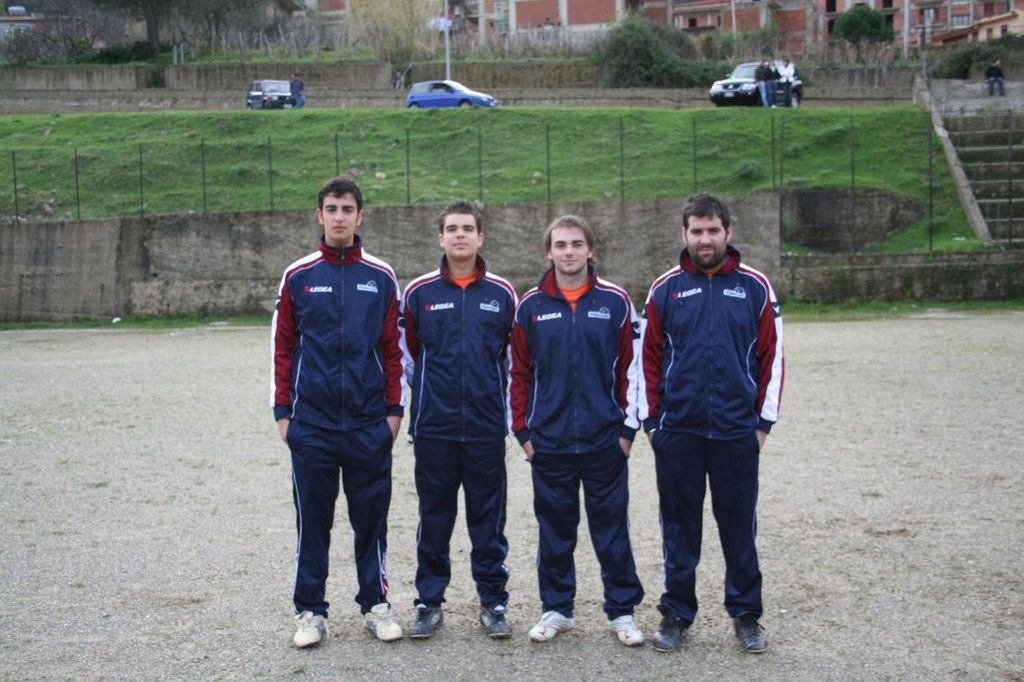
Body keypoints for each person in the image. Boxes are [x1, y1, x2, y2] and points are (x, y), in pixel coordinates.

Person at [639, 193, 784, 655]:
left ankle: (746, 614)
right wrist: (653, 423)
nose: (705, 239)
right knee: (679, 527)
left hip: (736, 430)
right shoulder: (665, 288)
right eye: (697, 231)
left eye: (713, 231)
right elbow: (647, 359)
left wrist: (762, 424)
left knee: (739, 526)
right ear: (684, 234)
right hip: (678, 431)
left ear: (728, 232)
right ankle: (676, 613)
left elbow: (773, 357)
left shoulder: (755, 286)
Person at [271, 176, 406, 647]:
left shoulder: (381, 276)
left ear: (359, 215)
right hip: (312, 425)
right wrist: (283, 414)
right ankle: (310, 610)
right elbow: (283, 347)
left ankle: (375, 603)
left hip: (369, 424)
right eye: (331, 208)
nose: (339, 216)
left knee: (372, 520)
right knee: (313, 521)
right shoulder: (299, 276)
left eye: (347, 209)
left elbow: (393, 349)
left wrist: (393, 412)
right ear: (320, 215)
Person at [510, 215, 646, 647]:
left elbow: (633, 369)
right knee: (555, 531)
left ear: (591, 249)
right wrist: (524, 433)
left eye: (576, 244)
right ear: (548, 252)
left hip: (605, 439)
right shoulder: (530, 306)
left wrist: (627, 430)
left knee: (612, 530)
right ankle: (557, 608)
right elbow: (518, 373)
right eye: (560, 244)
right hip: (548, 442)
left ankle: (622, 611)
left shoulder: (616, 302)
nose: (568, 251)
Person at [400, 201, 518, 640]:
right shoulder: (419, 293)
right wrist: (429, 398)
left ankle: (493, 602)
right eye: (452, 229)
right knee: (434, 517)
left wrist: (502, 412)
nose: (460, 235)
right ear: (441, 238)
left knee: (489, 520)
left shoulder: (502, 294)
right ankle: (429, 602)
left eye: (468, 228)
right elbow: (409, 356)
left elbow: (512, 359)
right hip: (435, 427)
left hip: (486, 427)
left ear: (481, 237)